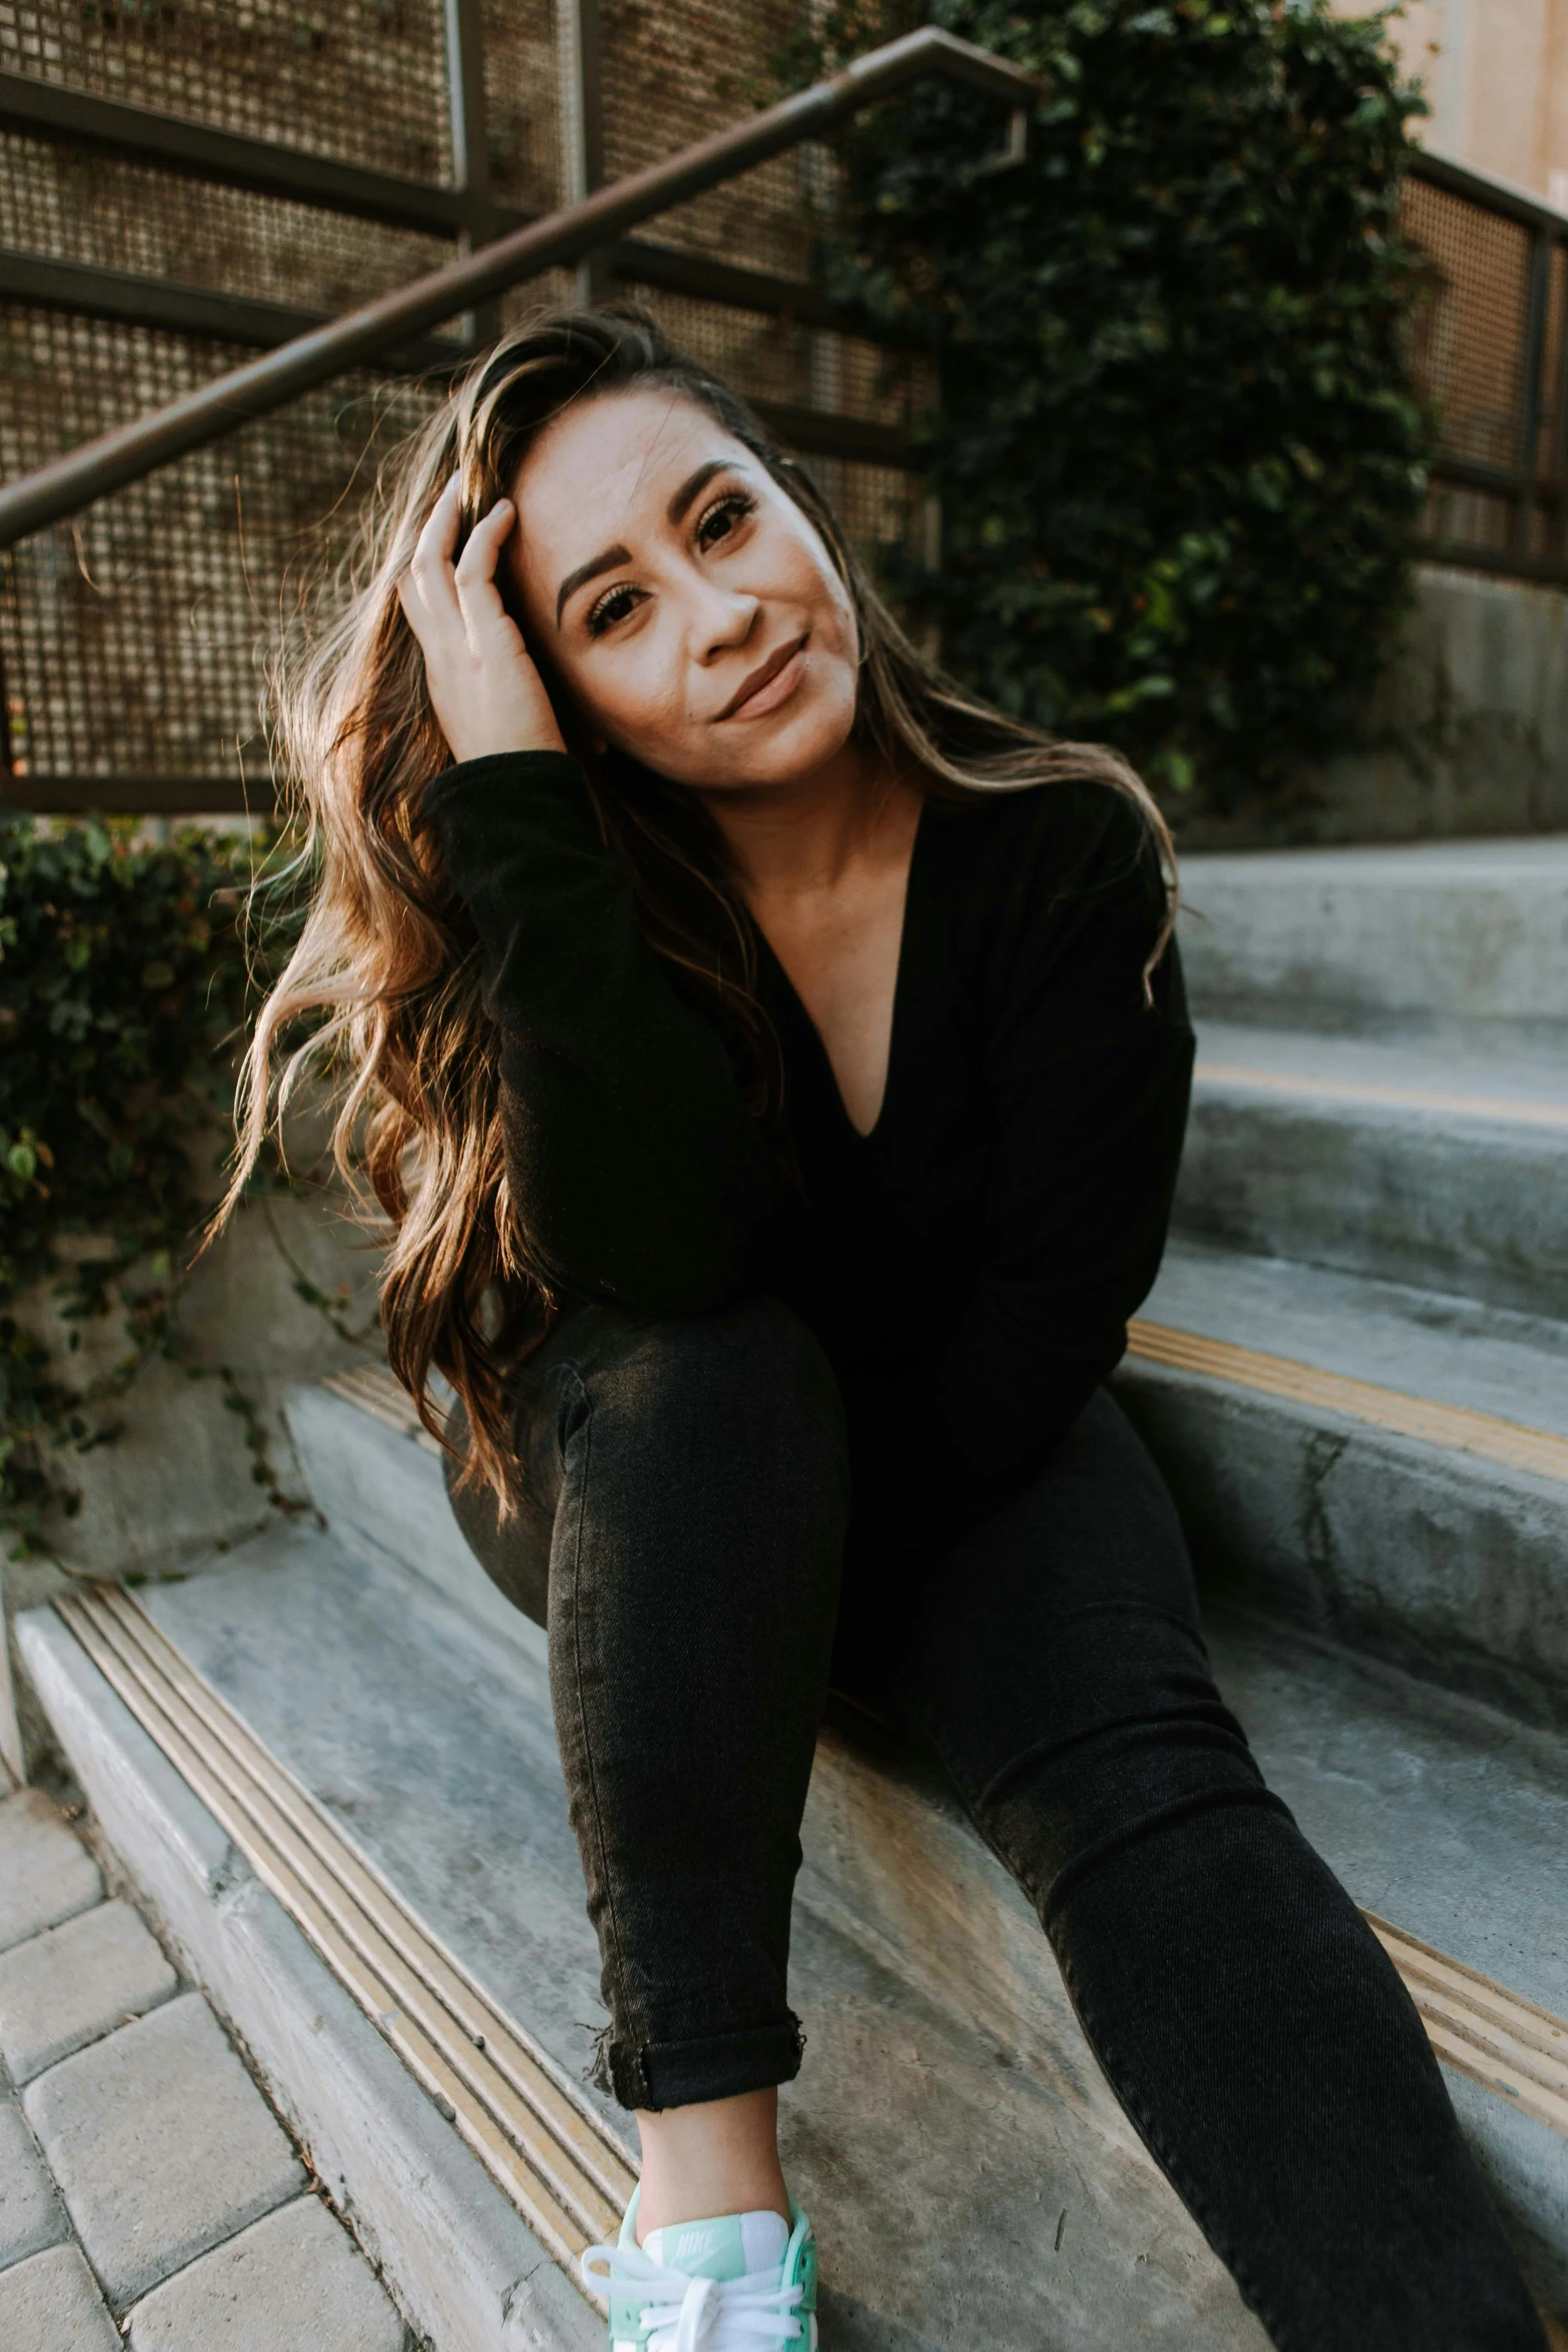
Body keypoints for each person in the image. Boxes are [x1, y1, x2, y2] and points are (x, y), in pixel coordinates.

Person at [227, 307, 1546, 2352]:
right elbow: (658, 1255)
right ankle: (710, 2228)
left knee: (1131, 1744)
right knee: (719, 1369)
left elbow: (1052, 1309)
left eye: (722, 518)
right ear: (555, 699)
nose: (721, 612)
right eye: (612, 606)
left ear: (801, 504)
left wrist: (846, 1562)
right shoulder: (575, 896)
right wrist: (510, 799)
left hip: (963, 1438)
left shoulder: (1061, 852)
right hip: (630, 1463)